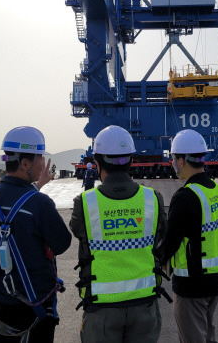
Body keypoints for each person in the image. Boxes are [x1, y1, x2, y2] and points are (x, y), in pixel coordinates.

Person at [70, 125, 169, 343]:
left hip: (101, 309)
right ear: (131, 160)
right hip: (144, 304)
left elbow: (78, 231)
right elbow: (162, 234)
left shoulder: (85, 203)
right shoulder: (153, 199)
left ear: (96, 162)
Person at [0, 126, 72, 342]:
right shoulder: (40, 203)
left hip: (2, 297)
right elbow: (62, 243)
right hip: (36, 302)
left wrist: (37, 185)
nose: (42, 162)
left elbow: (17, 203)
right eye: (40, 157)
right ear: (24, 163)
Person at [159, 129, 218, 343]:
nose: (171, 163)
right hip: (216, 278)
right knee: (208, 334)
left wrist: (155, 260)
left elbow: (170, 242)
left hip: (193, 284)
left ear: (181, 161)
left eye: (172, 158)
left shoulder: (185, 197)